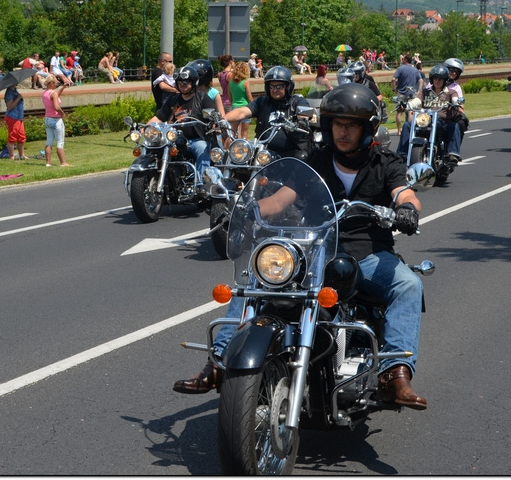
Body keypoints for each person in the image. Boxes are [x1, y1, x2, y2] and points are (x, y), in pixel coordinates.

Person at [174, 83, 429, 411]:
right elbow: (281, 199)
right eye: (338, 124)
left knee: (409, 285)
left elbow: (404, 194)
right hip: (314, 250)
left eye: (351, 125)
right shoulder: (316, 160)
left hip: (367, 254)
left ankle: (394, 375)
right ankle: (219, 364)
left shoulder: (386, 162)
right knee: (257, 279)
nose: (343, 131)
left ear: (368, 128)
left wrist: (407, 209)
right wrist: (245, 209)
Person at [148, 61, 217, 189]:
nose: (183, 84)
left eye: (187, 82)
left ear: (194, 83)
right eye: (180, 81)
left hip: (196, 139)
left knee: (202, 148)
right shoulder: (174, 99)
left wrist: (214, 123)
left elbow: (213, 115)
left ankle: (202, 185)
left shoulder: (202, 98)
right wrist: (145, 128)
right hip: (174, 139)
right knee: (155, 147)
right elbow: (159, 117)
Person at [223, 66, 311, 159]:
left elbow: (305, 114)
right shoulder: (262, 102)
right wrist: (223, 119)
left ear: (288, 86)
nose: (274, 89)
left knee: (302, 157)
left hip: (291, 153)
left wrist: (302, 120)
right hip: (263, 153)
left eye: (279, 86)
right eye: (271, 86)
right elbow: (242, 112)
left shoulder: (297, 101)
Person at [398, 64, 464, 163]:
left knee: (454, 126)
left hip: (442, 122)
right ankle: (402, 153)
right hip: (425, 120)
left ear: (445, 80)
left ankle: (452, 153)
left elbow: (455, 99)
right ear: (432, 79)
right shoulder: (425, 92)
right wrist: (407, 105)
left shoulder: (451, 92)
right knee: (407, 125)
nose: (437, 80)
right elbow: (417, 101)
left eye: (440, 78)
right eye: (435, 78)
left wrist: (455, 103)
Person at [41, 74, 70, 167]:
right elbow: (56, 106)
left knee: (49, 141)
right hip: (56, 120)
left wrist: (63, 88)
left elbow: (55, 96)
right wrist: (62, 113)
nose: (57, 84)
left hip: (48, 119)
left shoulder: (45, 93)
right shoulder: (53, 93)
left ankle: (48, 163)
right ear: (51, 83)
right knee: (60, 142)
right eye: (56, 83)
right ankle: (63, 162)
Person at [391, 53, 424, 134]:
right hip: (412, 93)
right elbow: (421, 80)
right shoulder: (415, 70)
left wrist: (393, 89)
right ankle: (410, 129)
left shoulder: (400, 69)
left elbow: (393, 79)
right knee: (410, 111)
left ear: (406, 60)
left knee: (399, 111)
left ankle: (399, 130)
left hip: (401, 93)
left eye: (403, 59)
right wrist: (419, 90)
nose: (402, 60)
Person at [228, 60, 254, 139]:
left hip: (235, 107)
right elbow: (250, 97)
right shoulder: (245, 82)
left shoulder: (230, 82)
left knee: (234, 132)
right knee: (244, 133)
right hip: (245, 108)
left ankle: (233, 148)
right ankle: (244, 150)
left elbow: (230, 97)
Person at [3, 82, 27, 161]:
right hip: (13, 117)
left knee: (21, 136)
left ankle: (22, 155)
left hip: (19, 117)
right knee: (12, 136)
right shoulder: (9, 93)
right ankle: (12, 156)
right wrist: (18, 98)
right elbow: (9, 106)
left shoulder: (14, 91)